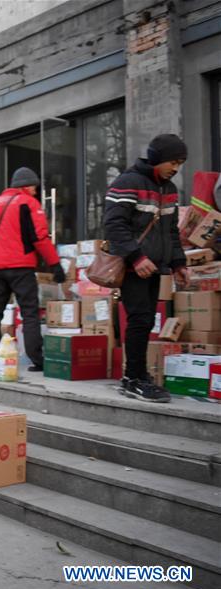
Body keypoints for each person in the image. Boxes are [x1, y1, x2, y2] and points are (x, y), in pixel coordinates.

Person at [104, 133, 189, 402]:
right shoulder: (127, 182)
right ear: (157, 159)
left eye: (180, 163)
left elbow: (171, 232)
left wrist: (178, 263)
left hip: (155, 268)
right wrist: (137, 258)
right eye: (173, 162)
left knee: (145, 320)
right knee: (140, 320)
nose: (176, 168)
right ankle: (133, 378)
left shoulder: (169, 189)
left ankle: (138, 375)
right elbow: (114, 226)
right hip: (133, 268)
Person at [0, 167, 64, 372]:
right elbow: (40, 237)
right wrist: (55, 264)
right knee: (30, 312)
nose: (35, 191)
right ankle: (37, 358)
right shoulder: (28, 203)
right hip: (21, 267)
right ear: (26, 186)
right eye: (34, 187)